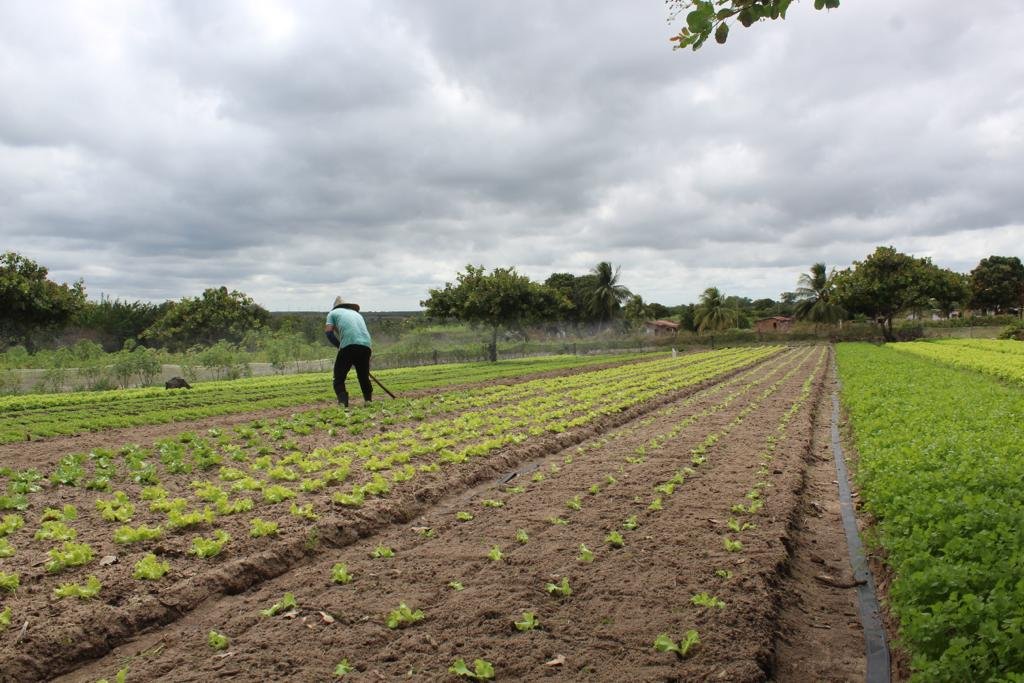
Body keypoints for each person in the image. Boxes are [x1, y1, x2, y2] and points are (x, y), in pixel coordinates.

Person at [324, 296, 373, 407]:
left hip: (348, 345)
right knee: (363, 376)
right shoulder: (358, 315)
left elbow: (329, 333)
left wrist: (339, 346)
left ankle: (343, 403)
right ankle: (368, 401)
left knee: (338, 378)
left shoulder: (333, 313)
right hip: (366, 345)